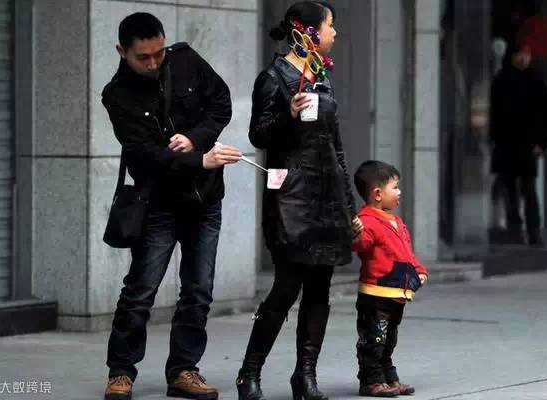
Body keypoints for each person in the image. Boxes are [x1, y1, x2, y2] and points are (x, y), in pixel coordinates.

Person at [101, 12, 241, 400]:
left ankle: (183, 370)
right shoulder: (117, 96)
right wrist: (199, 160)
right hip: (157, 204)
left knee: (198, 290)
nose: (152, 62)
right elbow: (145, 154)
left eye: (158, 53)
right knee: (140, 291)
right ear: (122, 51)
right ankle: (121, 371)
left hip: (204, 199)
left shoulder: (186, 60)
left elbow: (221, 103)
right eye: (142, 57)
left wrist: (195, 138)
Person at [235, 2, 363, 400]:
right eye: (330, 25)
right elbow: (258, 135)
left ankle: (305, 377)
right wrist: (287, 115)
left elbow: (336, 148)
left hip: (326, 196)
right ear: (307, 31)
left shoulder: (322, 76)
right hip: (290, 197)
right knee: (286, 286)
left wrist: (348, 205)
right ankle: (249, 372)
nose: (334, 33)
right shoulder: (274, 78)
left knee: (320, 289)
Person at [352, 161, 428, 397]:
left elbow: (406, 254)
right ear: (377, 194)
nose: (399, 192)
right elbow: (361, 246)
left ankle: (388, 377)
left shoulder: (396, 222)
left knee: (388, 339)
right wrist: (355, 233)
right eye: (395, 187)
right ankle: (371, 381)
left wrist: (419, 271)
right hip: (376, 295)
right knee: (374, 339)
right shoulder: (366, 221)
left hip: (396, 295)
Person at [490, 44, 547, 246]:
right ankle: (515, 231)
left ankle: (533, 231)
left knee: (528, 189)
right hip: (507, 145)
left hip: (527, 146)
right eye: (520, 54)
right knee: (510, 191)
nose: (523, 58)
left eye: (526, 54)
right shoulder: (502, 80)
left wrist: (541, 143)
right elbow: (494, 114)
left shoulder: (536, 81)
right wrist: (494, 140)